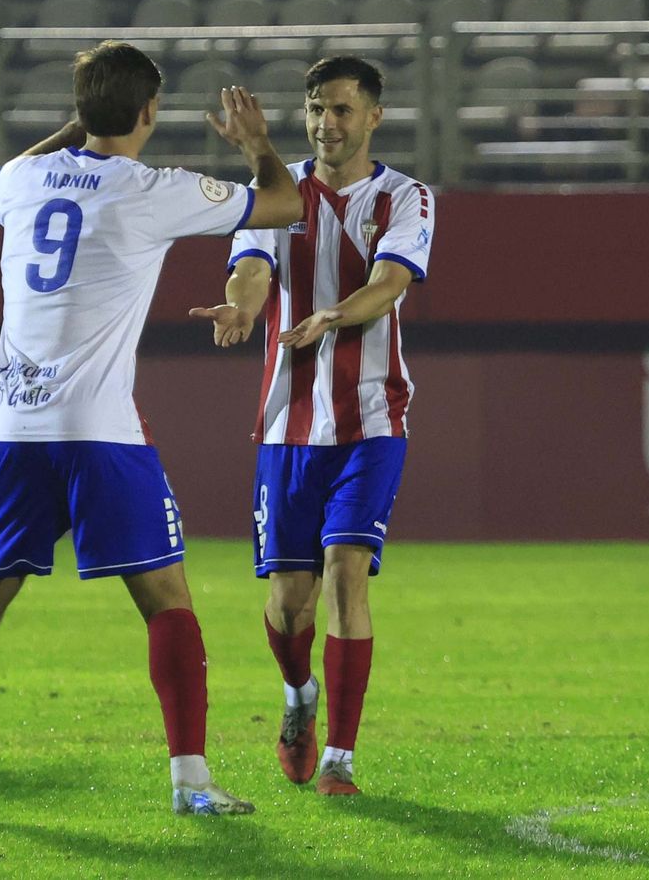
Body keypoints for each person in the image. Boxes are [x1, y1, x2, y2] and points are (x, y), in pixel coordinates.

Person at [0, 41, 303, 816]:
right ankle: (191, 784)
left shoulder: (20, 181)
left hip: (15, 429)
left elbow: (0, 177)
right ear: (150, 113)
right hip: (102, 433)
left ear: (79, 111)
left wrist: (75, 128)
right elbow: (285, 205)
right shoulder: (152, 189)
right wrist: (257, 147)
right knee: (167, 599)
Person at [190, 57, 436, 795]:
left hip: (371, 419)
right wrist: (241, 303)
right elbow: (252, 268)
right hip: (287, 427)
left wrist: (335, 311)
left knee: (345, 576)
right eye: (317, 109)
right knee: (288, 601)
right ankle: (299, 697)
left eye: (341, 109)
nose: (327, 123)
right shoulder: (279, 191)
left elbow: (391, 283)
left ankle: (340, 758)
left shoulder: (404, 197)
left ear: (373, 118)